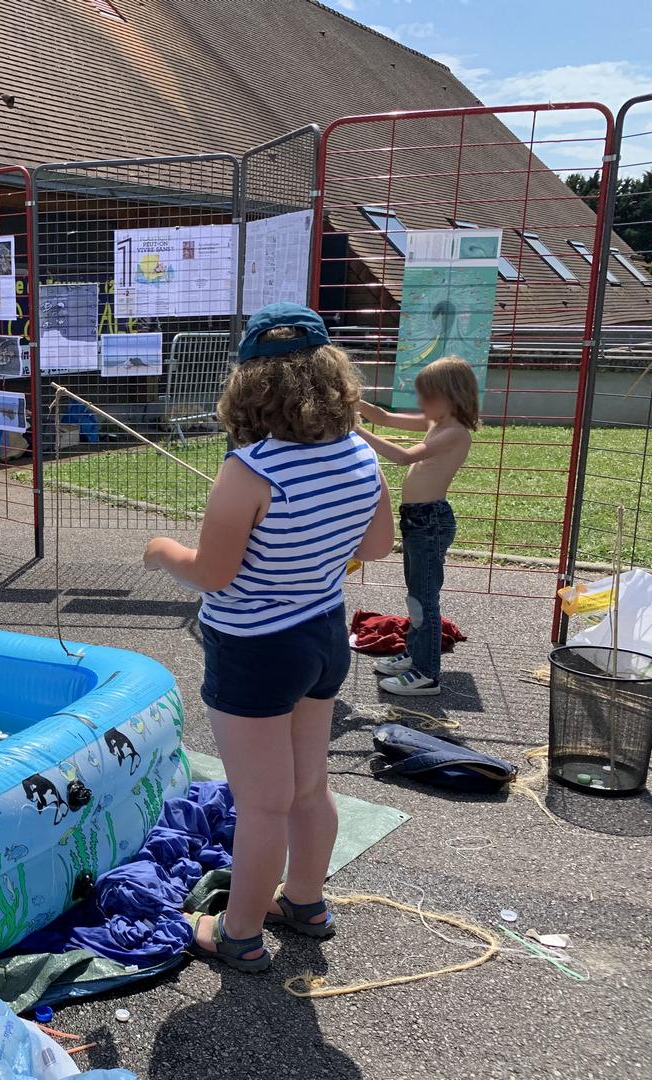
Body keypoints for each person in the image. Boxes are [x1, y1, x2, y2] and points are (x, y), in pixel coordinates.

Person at [142, 303, 393, 973]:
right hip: (321, 636)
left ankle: (239, 933)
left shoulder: (248, 471)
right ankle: (306, 903)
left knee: (261, 806)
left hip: (255, 650)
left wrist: (165, 551)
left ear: (249, 386)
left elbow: (213, 575)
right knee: (308, 788)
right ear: (332, 379)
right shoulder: (362, 454)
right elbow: (376, 545)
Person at [355, 356, 479, 696]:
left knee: (424, 600)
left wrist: (357, 430)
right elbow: (382, 416)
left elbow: (405, 456)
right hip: (418, 521)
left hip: (430, 521)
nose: (420, 402)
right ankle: (414, 654)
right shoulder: (435, 421)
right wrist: (352, 400)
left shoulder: (454, 433)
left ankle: (426, 673)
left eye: (427, 395)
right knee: (416, 597)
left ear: (450, 394)